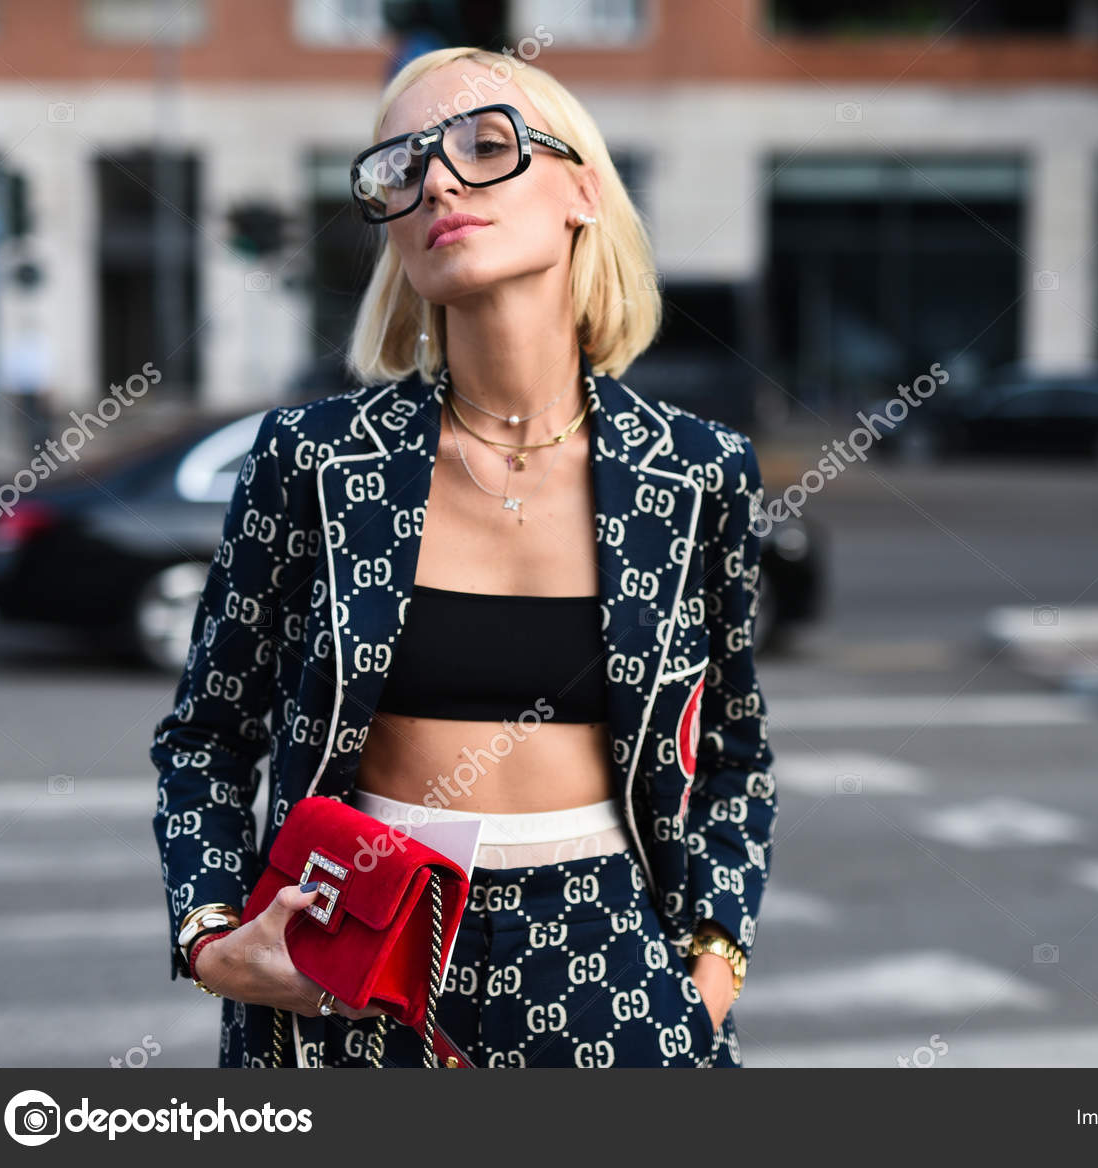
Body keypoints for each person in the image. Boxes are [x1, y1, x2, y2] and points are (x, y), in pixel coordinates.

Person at [152, 47, 776, 1068]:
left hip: (612, 956)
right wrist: (213, 936)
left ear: (583, 189)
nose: (436, 179)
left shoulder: (699, 473)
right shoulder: (314, 461)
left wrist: (709, 966)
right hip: (356, 948)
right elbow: (207, 738)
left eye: (485, 145)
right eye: (398, 169)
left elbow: (736, 755)